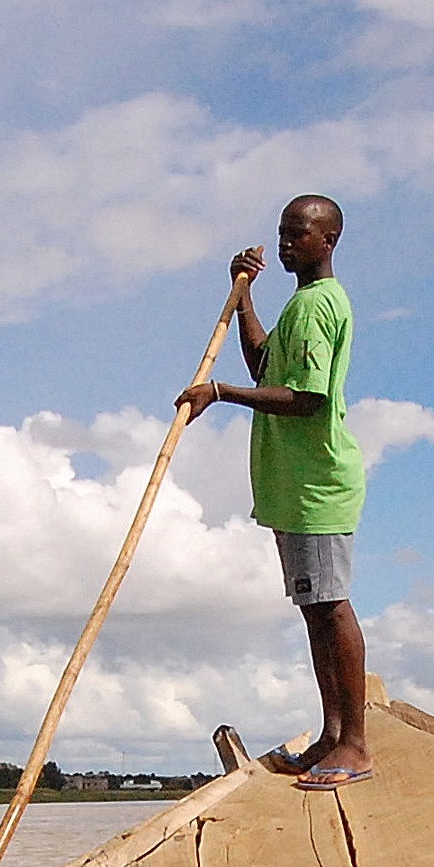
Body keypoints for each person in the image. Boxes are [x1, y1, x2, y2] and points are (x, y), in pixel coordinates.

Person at [178, 194, 372, 790]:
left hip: (317, 485)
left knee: (331, 606)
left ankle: (356, 746)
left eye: (299, 235)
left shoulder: (319, 306)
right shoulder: (300, 304)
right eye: (282, 234)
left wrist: (221, 393)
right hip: (294, 488)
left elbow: (307, 399)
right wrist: (244, 300)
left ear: (328, 240)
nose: (287, 244)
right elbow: (268, 367)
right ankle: (332, 734)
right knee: (314, 610)